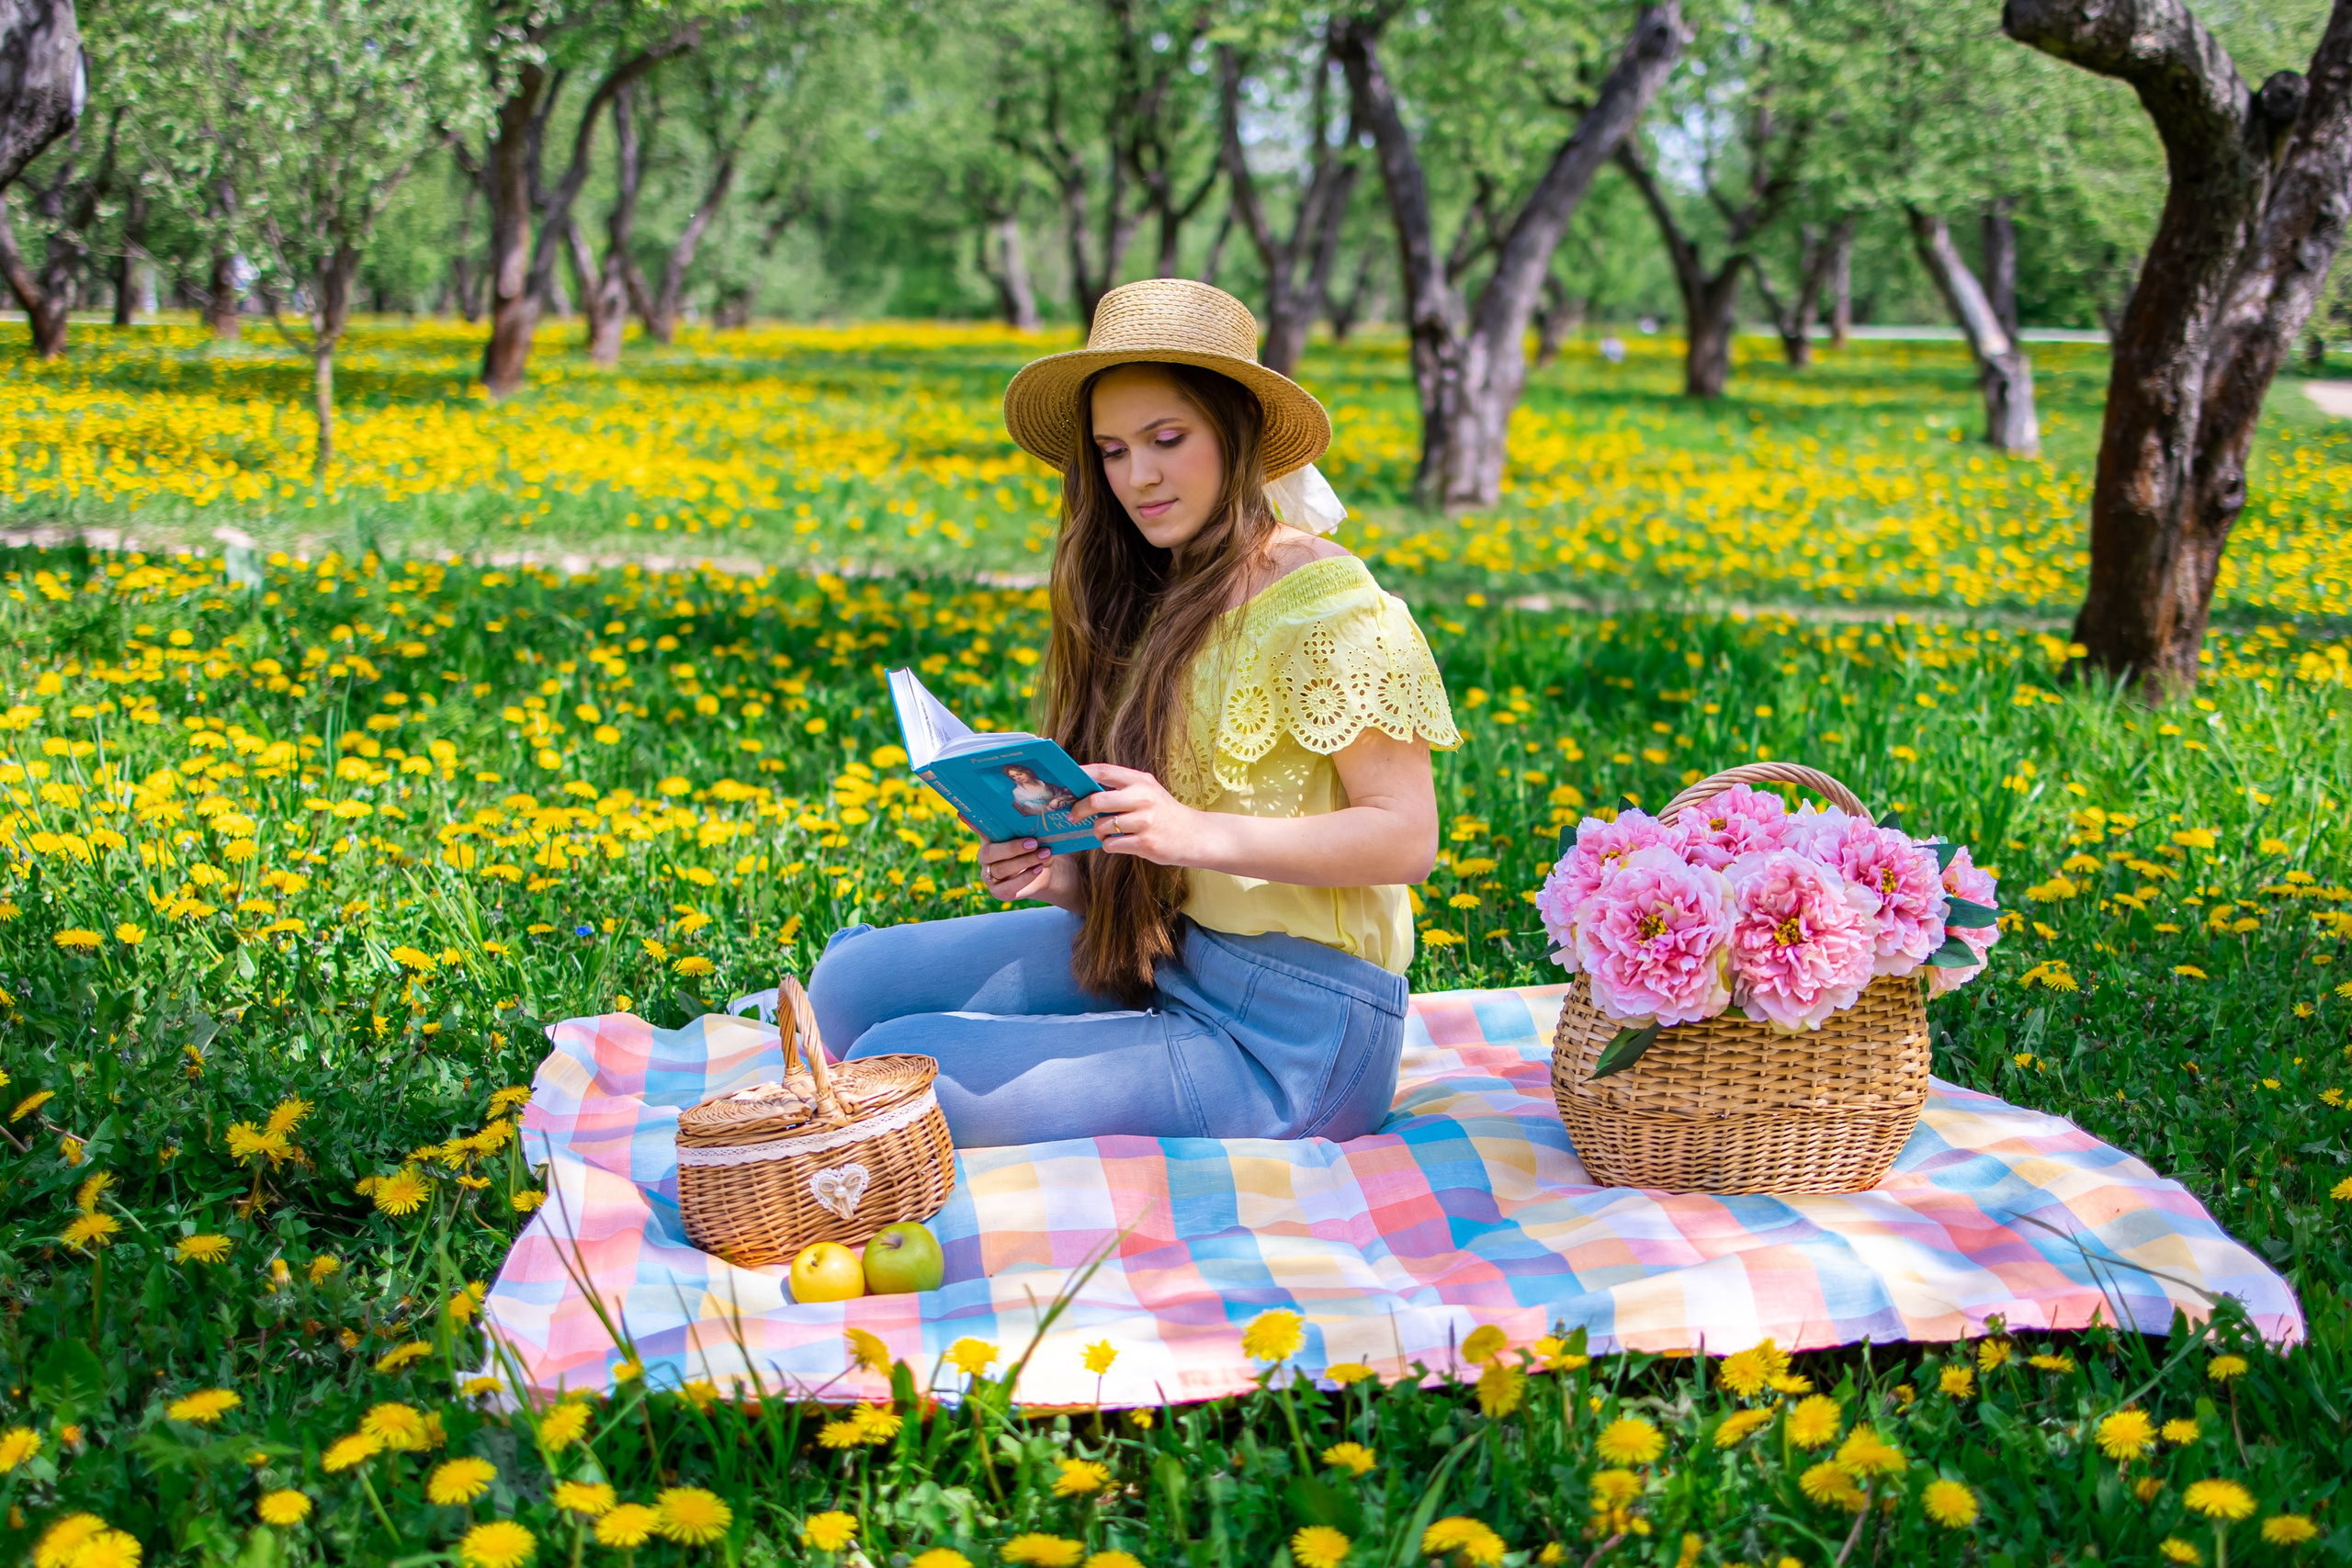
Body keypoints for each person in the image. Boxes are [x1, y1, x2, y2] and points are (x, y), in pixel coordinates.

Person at [808, 279, 1459, 1147]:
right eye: (1113, 451)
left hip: (1299, 1037)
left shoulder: (1332, 608)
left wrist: (1188, 831)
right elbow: (1173, 866)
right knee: (850, 985)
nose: (1137, 477)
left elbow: (1407, 837)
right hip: (1172, 954)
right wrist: (1065, 877)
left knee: (902, 1068)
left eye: (1166, 439)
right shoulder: (1156, 587)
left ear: (1240, 435)